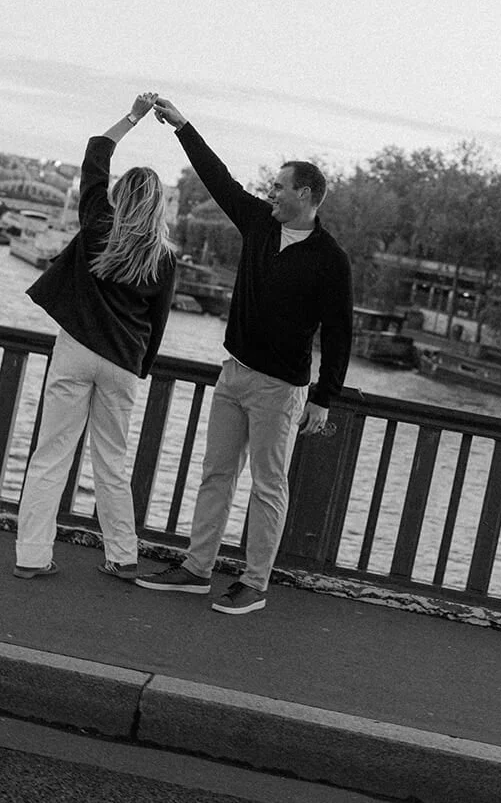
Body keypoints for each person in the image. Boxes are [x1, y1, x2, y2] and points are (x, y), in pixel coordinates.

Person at [135, 96, 353, 615]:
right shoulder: (258, 223)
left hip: (280, 389)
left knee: (268, 487)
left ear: (305, 194)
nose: (270, 193)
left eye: (279, 187)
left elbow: (340, 334)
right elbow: (219, 179)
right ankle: (196, 570)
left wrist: (324, 398)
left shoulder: (330, 260)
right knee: (216, 475)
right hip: (233, 375)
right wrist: (183, 127)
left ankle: (254, 583)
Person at [14, 93, 178, 581]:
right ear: (158, 207)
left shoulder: (97, 223)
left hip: (76, 350)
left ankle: (32, 556)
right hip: (123, 362)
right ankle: (123, 557)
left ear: (120, 196)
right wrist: (139, 366)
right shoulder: (163, 257)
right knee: (111, 462)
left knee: (51, 455)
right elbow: (159, 321)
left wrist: (133, 116)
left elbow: (96, 155)